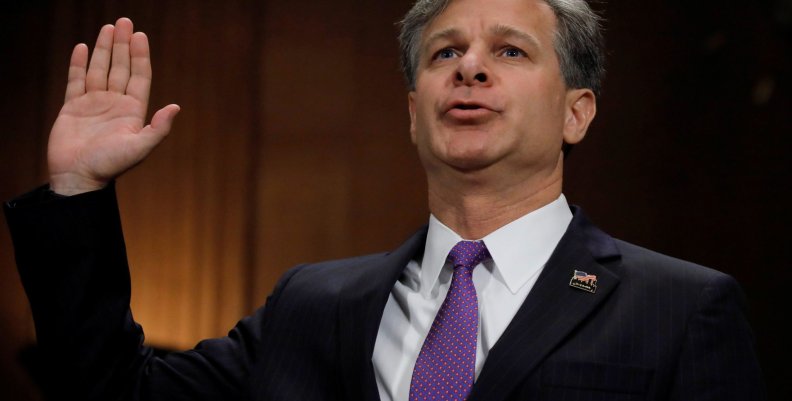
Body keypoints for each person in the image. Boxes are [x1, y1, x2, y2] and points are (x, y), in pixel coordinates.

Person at [4, 0, 765, 400]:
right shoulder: (314, 304)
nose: (469, 67)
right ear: (412, 109)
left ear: (578, 111)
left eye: (509, 50)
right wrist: (79, 190)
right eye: (445, 52)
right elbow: (112, 393)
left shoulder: (680, 308)